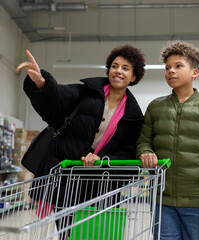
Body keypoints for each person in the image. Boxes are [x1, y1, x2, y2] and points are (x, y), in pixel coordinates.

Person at [17, 44, 145, 239]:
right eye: (114, 66)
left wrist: (103, 160)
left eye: (125, 68)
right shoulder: (86, 93)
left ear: (134, 76)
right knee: (68, 235)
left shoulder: (133, 116)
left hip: (102, 186)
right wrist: (42, 82)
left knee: (98, 235)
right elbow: (57, 100)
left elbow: (128, 152)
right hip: (68, 182)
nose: (118, 71)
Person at [136, 41, 199, 240]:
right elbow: (143, 141)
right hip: (162, 202)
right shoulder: (155, 107)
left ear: (194, 73)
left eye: (178, 66)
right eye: (167, 68)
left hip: (197, 204)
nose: (171, 71)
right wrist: (145, 151)